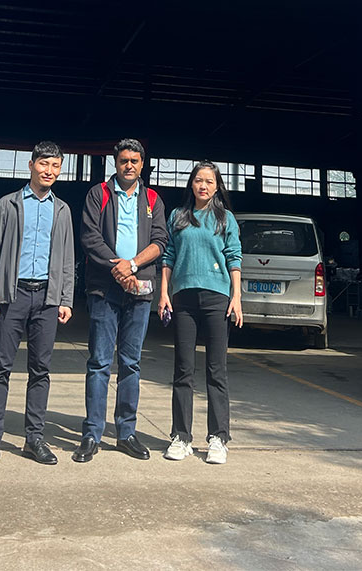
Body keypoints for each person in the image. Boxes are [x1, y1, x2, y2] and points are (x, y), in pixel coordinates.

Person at [0, 141, 74, 467]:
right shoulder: (9, 204)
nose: (49, 171)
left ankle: (34, 439)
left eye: (56, 166)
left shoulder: (62, 210)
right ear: (31, 165)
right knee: (1, 367)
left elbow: (68, 260)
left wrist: (66, 298)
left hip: (46, 299)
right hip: (11, 296)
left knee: (40, 370)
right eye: (44, 164)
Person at [73, 138, 168, 462]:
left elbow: (160, 241)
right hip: (104, 288)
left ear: (143, 165)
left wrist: (134, 265)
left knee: (131, 363)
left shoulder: (153, 199)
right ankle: (91, 434)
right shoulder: (98, 195)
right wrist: (118, 267)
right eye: (124, 160)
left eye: (135, 161)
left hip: (139, 289)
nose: (129, 165)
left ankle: (126, 433)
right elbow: (89, 237)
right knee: (99, 362)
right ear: (116, 162)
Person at [158, 160, 243, 464]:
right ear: (191, 184)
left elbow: (234, 257)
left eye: (209, 181)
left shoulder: (225, 219)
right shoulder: (178, 216)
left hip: (217, 299)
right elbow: (168, 255)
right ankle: (181, 437)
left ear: (217, 186)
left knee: (216, 371)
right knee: (183, 369)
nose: (203, 186)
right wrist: (164, 292)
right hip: (183, 299)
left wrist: (237, 297)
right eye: (198, 180)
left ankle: (218, 438)